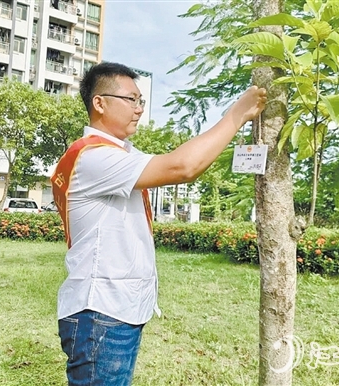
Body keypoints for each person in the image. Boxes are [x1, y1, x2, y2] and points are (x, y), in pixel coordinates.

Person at [51, 61, 267, 386]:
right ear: (100, 102)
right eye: (132, 100)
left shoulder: (114, 154)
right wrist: (236, 115)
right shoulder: (94, 156)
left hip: (114, 310)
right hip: (102, 312)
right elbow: (182, 166)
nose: (139, 109)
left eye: (141, 101)